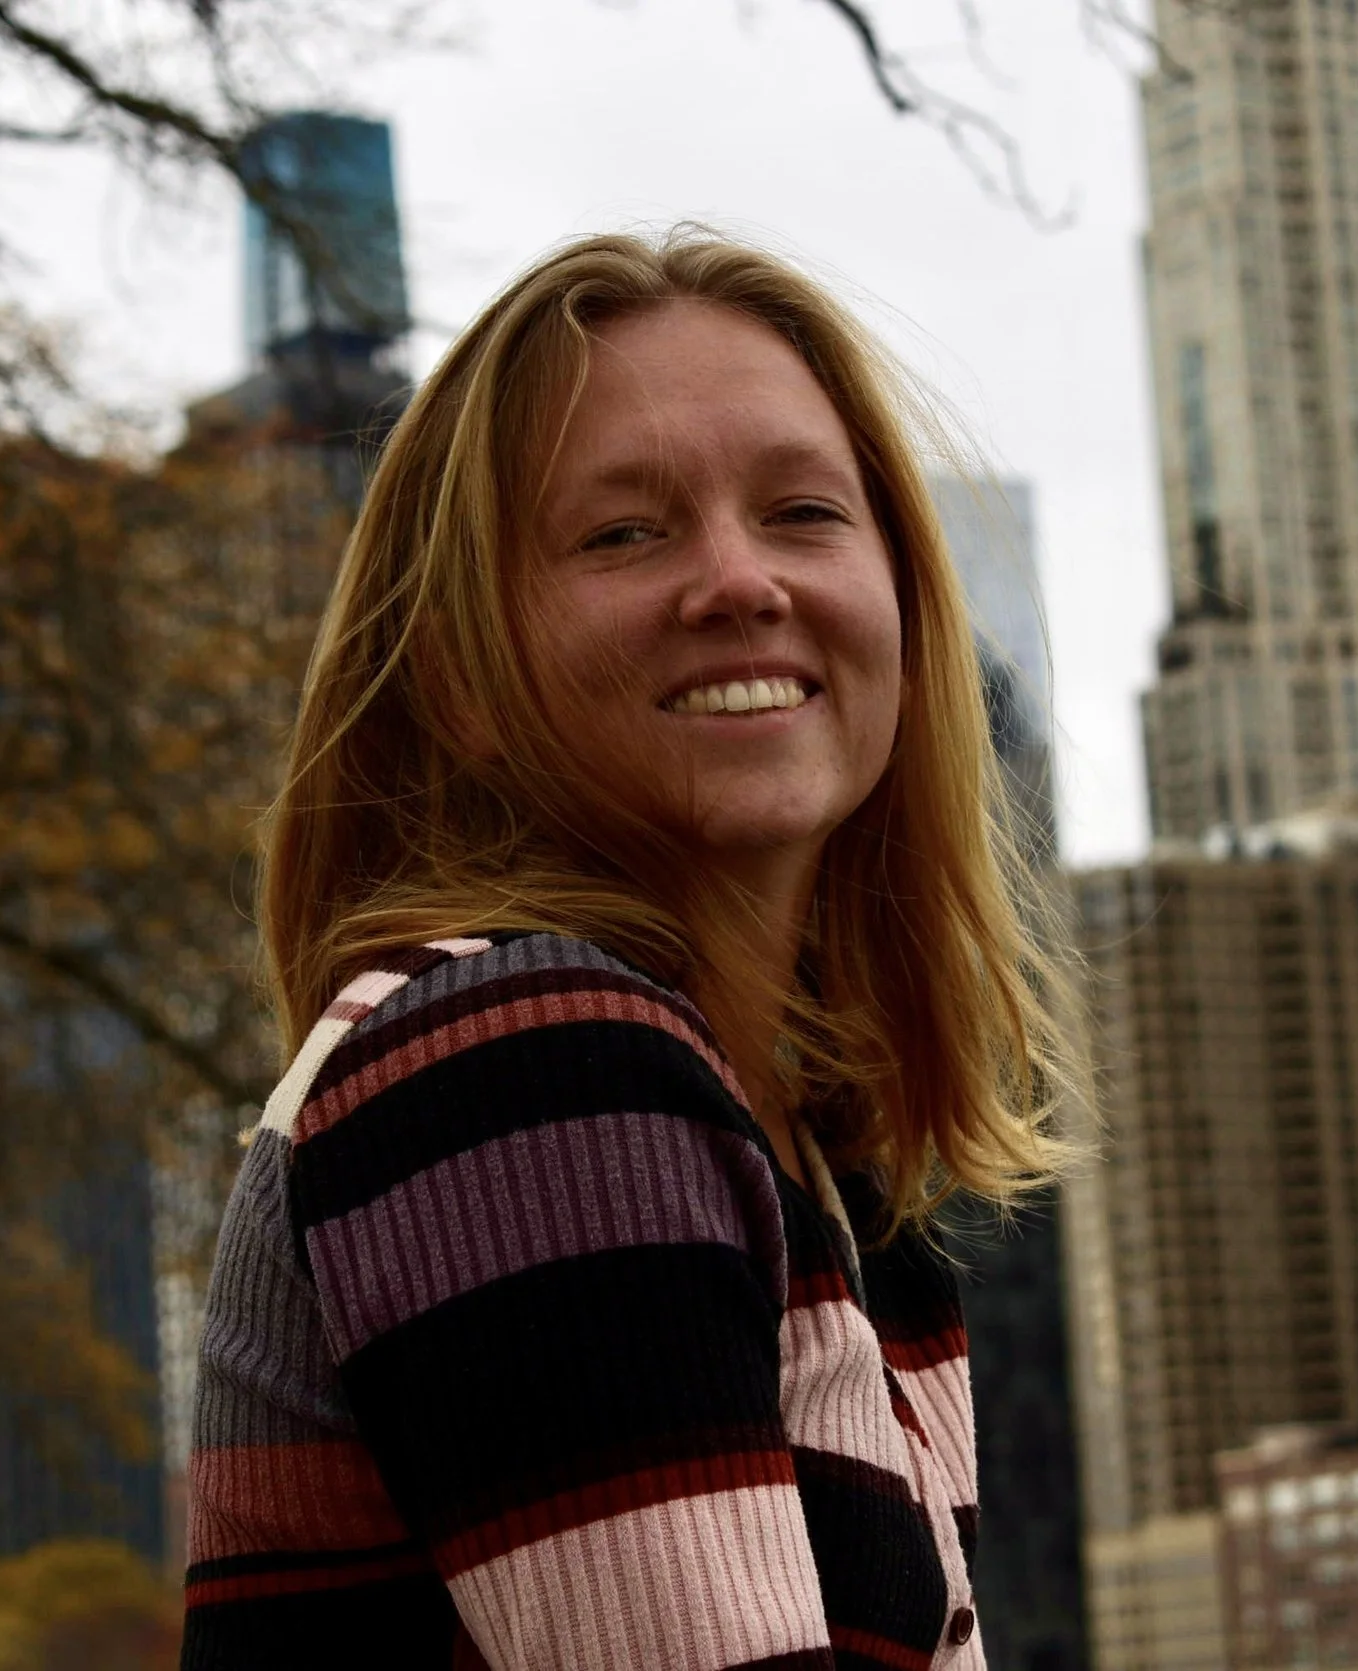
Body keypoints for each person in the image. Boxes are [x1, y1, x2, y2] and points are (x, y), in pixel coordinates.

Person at [179, 230, 1083, 1671]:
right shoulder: (518, 1067)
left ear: (907, 611)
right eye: (623, 534)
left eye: (802, 512)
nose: (739, 580)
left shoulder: (840, 1191)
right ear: (461, 679)